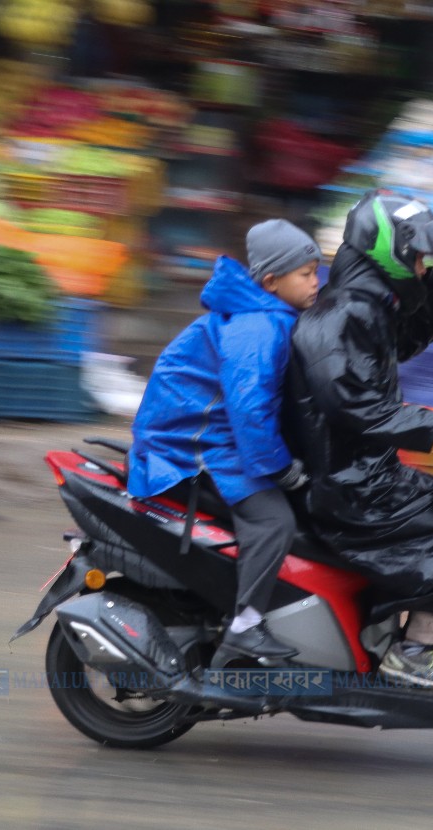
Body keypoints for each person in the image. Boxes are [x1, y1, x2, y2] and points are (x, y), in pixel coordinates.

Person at [288, 189, 433, 692]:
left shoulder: (363, 308)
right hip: (348, 483)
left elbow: (403, 344)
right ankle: (418, 650)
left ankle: (396, 632)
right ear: (387, 252)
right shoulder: (338, 316)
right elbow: (352, 405)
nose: (421, 267)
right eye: (418, 259)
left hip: (367, 471)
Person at [127, 219, 321, 667]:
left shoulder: (267, 314)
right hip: (190, 444)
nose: (316, 282)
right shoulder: (257, 328)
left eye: (316, 272)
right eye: (306, 274)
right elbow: (251, 410)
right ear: (272, 281)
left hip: (213, 433)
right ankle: (245, 628)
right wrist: (279, 468)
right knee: (274, 521)